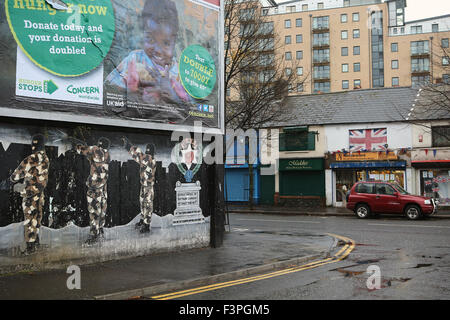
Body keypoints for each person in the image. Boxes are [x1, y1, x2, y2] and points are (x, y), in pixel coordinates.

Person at [105, 0, 192, 109]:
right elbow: (109, 88)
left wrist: (170, 93)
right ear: (142, 35)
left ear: (175, 42)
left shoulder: (178, 73)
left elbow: (188, 109)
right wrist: (131, 90)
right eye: (150, 39)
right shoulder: (134, 59)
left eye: (166, 43)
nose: (158, 50)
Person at [10, 134, 49, 254]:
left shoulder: (31, 158)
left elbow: (15, 176)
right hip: (40, 194)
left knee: (29, 219)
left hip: (30, 194)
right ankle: (36, 242)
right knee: (37, 218)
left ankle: (30, 247)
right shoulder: (46, 158)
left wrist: (13, 179)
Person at [76, 138, 111, 244]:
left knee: (94, 212)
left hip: (94, 189)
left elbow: (82, 150)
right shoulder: (107, 154)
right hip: (103, 188)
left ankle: (94, 236)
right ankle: (100, 231)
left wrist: (77, 144)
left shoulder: (95, 150)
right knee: (102, 210)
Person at [122, 137, 156, 233]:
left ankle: (147, 225)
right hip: (144, 186)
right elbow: (138, 156)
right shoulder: (145, 159)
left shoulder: (150, 160)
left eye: (148, 151)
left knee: (148, 205)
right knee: (142, 203)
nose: (147, 153)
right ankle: (143, 219)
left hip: (148, 187)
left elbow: (138, 154)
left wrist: (128, 146)